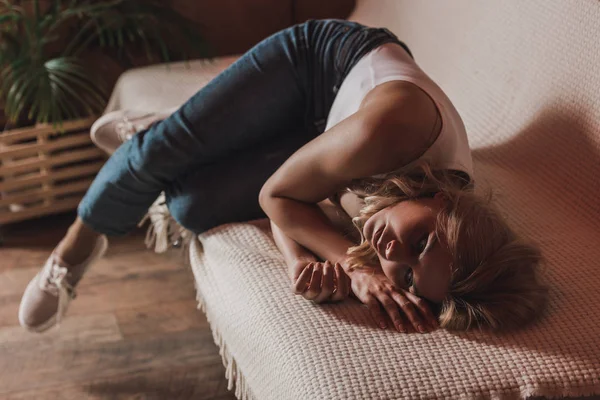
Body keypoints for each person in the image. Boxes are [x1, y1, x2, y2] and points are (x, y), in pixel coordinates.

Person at [18, 19, 548, 335]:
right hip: (317, 67)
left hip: (328, 138)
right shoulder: (396, 130)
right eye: (421, 240)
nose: (392, 250)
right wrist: (351, 266)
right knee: (159, 155)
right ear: (447, 201)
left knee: (189, 208)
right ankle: (73, 251)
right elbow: (278, 194)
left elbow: (294, 208)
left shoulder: (407, 221)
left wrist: (302, 260)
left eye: (406, 276)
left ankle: (194, 125)